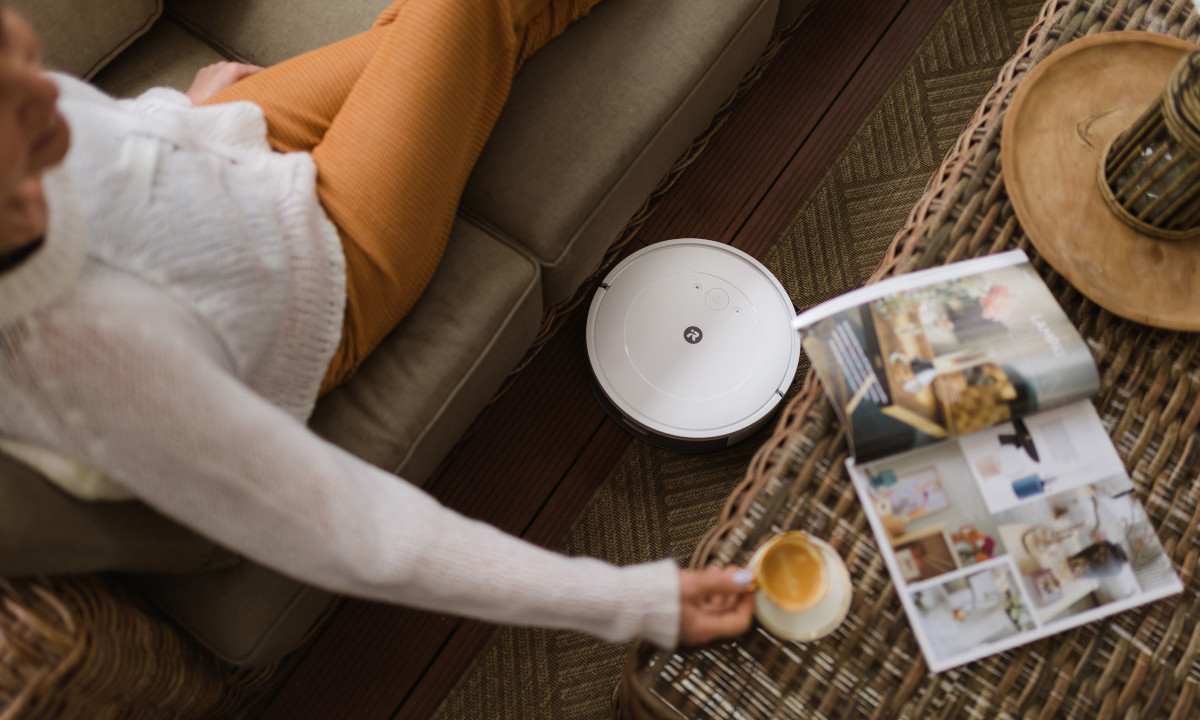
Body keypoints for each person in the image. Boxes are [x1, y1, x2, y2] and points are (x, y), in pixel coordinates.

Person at [0, 1, 756, 650]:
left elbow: (98, 142)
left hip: (226, 147)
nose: (45, 88)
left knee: (483, 27)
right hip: (329, 258)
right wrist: (633, 604)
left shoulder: (22, 124)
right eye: (24, 109)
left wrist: (172, 117)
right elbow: (358, 526)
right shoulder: (86, 357)